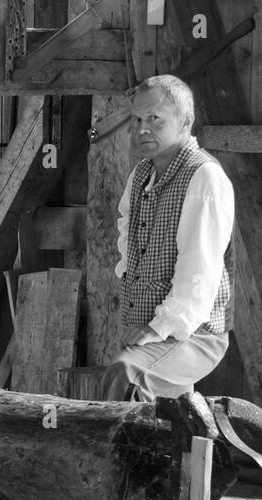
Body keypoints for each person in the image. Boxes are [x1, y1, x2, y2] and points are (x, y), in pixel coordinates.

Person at [100, 74, 236, 404]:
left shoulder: (204, 175)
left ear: (185, 121)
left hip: (195, 332)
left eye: (155, 119)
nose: (142, 129)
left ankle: (111, 457)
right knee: (171, 419)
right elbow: (127, 241)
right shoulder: (141, 175)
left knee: (127, 376)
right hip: (150, 326)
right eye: (137, 119)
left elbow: (199, 269)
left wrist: (162, 326)